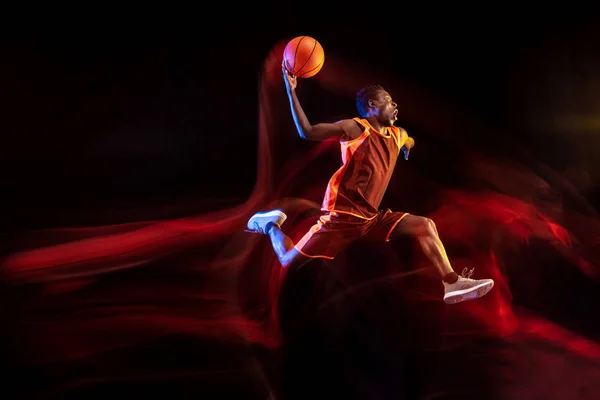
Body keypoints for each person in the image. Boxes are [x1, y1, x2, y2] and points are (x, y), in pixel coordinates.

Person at [246, 62, 494, 304]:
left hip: (370, 219)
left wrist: (408, 146)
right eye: (388, 100)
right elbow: (307, 131)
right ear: (372, 105)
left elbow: (408, 139)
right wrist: (291, 90)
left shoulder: (398, 134)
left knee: (425, 225)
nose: (395, 104)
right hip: (342, 216)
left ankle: (451, 283)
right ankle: (270, 225)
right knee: (288, 260)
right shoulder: (355, 128)